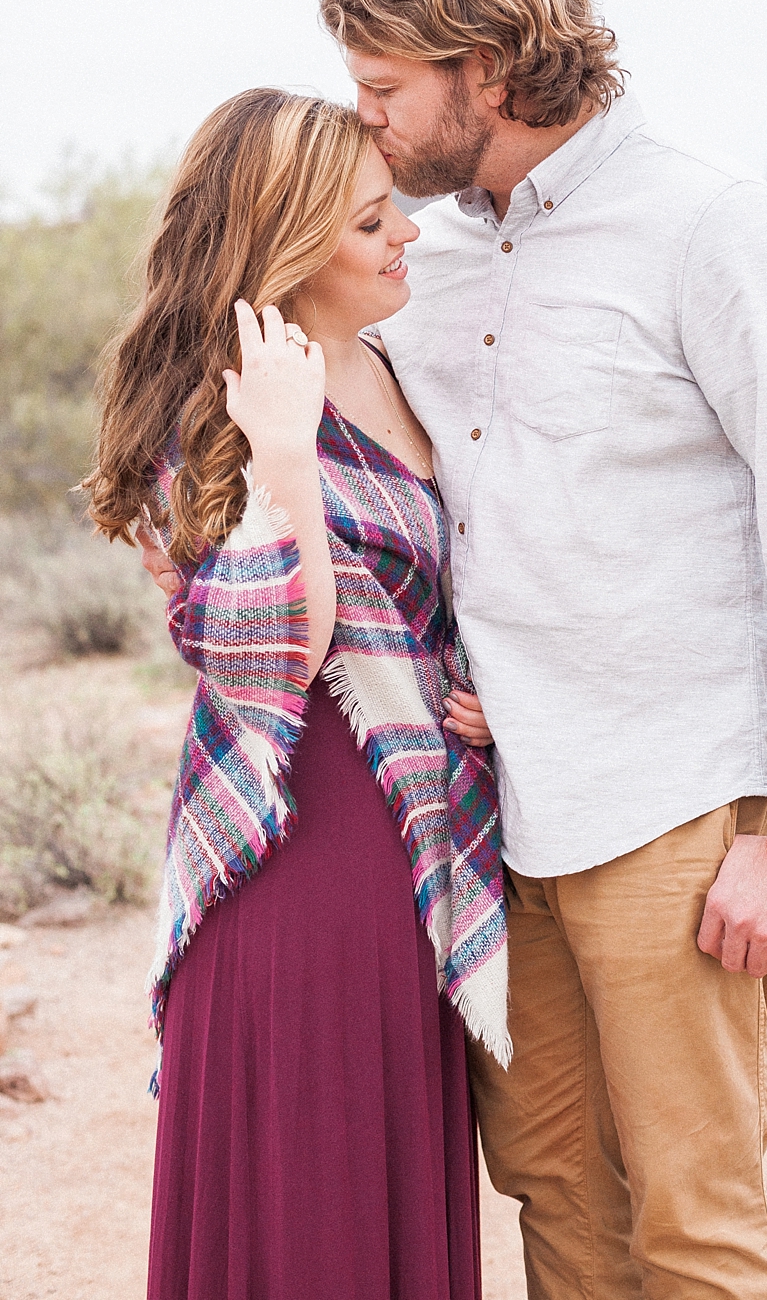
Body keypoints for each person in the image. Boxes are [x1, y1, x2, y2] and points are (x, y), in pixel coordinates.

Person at [315, 0, 767, 1300]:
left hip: (678, 810)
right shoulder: (428, 263)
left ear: (489, 67)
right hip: (501, 812)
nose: (366, 123)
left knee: (691, 1223)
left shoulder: (715, 233)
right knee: (556, 1198)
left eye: (384, 88)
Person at [87, 87, 510, 1300]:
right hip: (294, 848)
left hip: (412, 844)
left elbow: (452, 586)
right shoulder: (211, 413)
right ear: (288, 239)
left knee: (384, 1185)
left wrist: (486, 691)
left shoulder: (395, 364)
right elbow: (270, 656)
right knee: (309, 1201)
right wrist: (282, 446)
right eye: (374, 224)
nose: (408, 238)